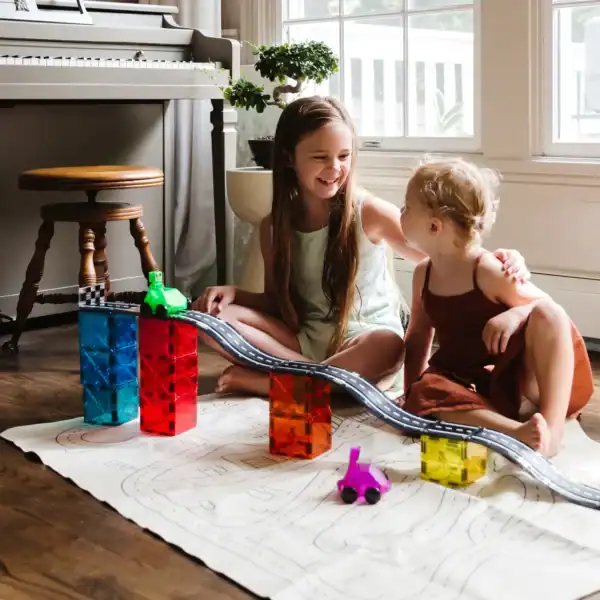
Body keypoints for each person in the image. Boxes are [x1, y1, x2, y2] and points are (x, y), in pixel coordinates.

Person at [193, 96, 529, 399]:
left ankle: (272, 382)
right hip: (304, 344)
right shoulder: (273, 227)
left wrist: (501, 259)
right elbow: (276, 303)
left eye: (343, 156)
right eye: (320, 157)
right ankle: (323, 382)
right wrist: (235, 293)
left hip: (365, 342)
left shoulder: (368, 212)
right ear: (288, 158)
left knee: (389, 345)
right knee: (209, 319)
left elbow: (445, 255)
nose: (335, 168)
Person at [400, 157, 594, 457]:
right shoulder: (423, 273)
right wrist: (411, 390)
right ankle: (513, 431)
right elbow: (418, 336)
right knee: (427, 391)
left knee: (548, 313)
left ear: (434, 225)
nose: (401, 212)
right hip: (474, 386)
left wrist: (516, 313)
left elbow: (550, 311)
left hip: (519, 381)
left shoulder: (487, 269)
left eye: (407, 207)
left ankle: (551, 433)